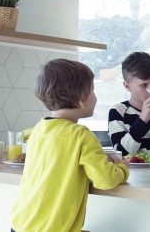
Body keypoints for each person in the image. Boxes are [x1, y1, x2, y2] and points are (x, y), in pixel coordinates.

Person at [11, 59, 129, 232]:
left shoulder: (39, 129)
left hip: (21, 225)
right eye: (93, 91)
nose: (96, 98)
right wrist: (121, 167)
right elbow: (105, 179)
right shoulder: (81, 135)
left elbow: (57, 165)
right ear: (81, 99)